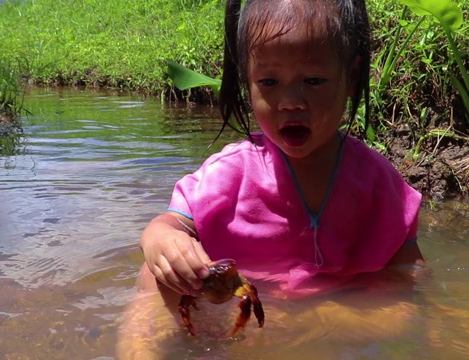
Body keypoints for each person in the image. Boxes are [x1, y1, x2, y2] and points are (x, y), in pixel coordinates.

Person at [120, 1, 426, 351]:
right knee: (155, 275)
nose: (290, 101)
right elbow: (169, 224)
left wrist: (333, 317)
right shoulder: (229, 173)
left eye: (313, 80)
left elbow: (409, 273)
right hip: (237, 307)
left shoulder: (377, 180)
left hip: (338, 314)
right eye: (269, 81)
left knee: (403, 310)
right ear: (246, 82)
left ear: (352, 79)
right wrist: (160, 240)